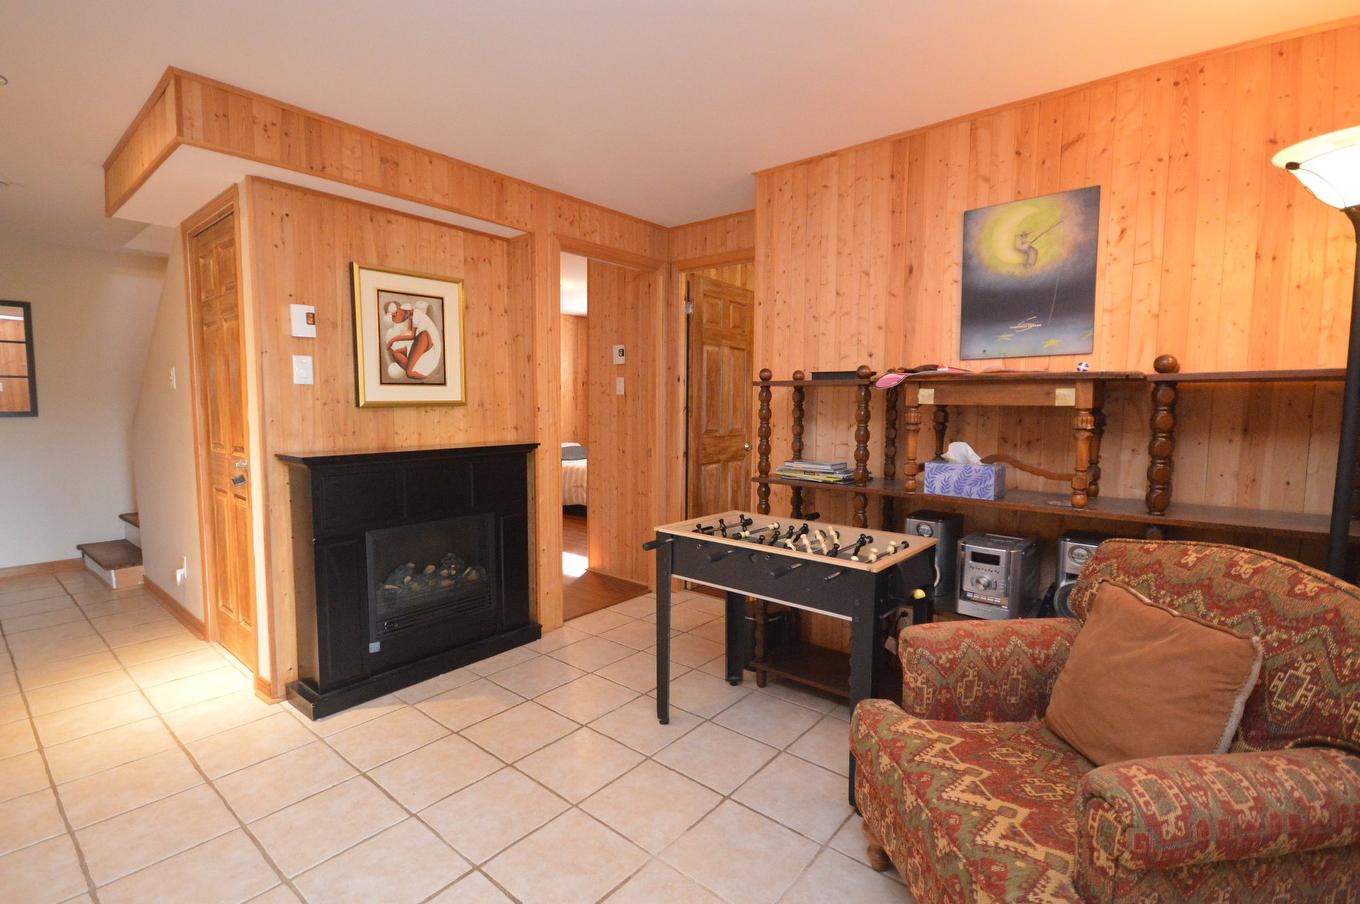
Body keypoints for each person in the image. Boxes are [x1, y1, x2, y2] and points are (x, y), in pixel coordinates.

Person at [384, 299, 443, 381]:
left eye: (396, 313)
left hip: (431, 349)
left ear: (406, 312)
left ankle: (410, 371)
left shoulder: (416, 315)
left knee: (423, 334)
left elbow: (412, 336)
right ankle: (414, 370)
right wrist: (393, 340)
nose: (394, 315)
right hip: (422, 357)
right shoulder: (410, 317)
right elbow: (410, 336)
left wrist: (392, 340)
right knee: (396, 353)